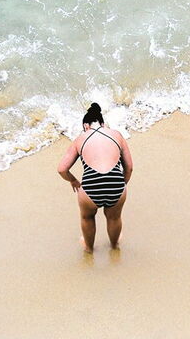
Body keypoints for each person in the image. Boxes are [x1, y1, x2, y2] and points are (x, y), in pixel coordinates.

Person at [57, 103, 133, 252]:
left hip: (91, 187)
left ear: (85, 125)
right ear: (103, 123)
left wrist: (73, 180)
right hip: (116, 184)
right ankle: (114, 245)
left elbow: (62, 169)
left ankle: (89, 248)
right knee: (114, 217)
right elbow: (129, 167)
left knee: (87, 217)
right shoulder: (116, 134)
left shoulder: (81, 138)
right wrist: (120, 184)